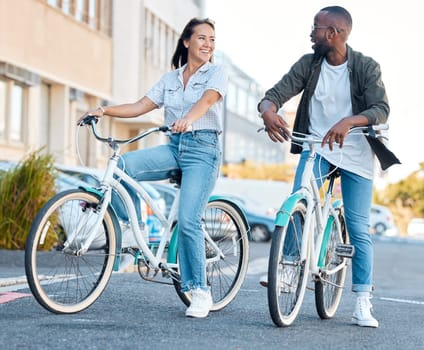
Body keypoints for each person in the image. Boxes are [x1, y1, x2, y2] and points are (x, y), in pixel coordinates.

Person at [257, 6, 399, 328]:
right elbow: (274, 95)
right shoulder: (308, 65)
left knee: (359, 227)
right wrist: (267, 111)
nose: (311, 33)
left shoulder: (365, 66)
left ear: (334, 33)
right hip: (317, 147)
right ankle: (288, 272)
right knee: (299, 200)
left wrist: (349, 122)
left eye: (316, 28)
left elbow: (381, 109)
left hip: (356, 152)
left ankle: (363, 300)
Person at [79, 18, 227, 318]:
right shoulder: (170, 79)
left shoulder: (217, 73)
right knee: (120, 165)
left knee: (188, 220)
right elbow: (139, 106)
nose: (208, 44)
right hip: (174, 147)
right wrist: (103, 110)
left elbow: (209, 99)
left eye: (212, 39)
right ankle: (134, 231)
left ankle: (199, 290)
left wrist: (190, 118)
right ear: (186, 42)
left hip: (204, 150)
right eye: (202, 38)